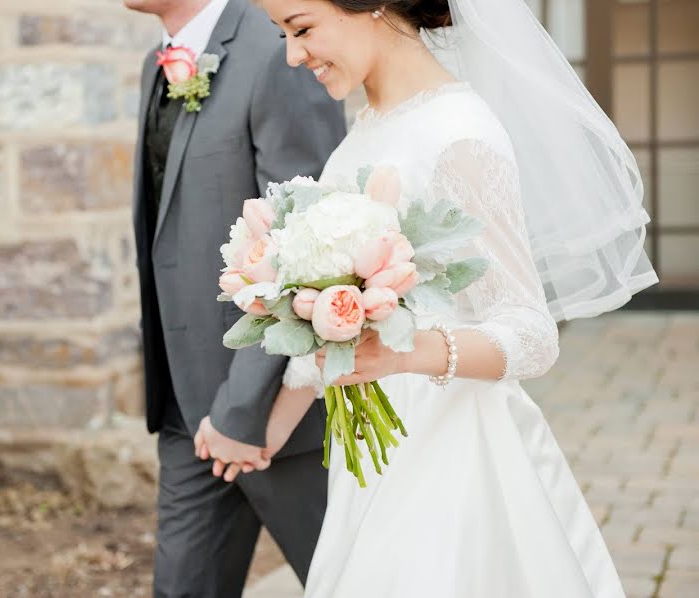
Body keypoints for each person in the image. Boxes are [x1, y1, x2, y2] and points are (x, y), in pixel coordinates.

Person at [247, 0, 658, 595]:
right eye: (282, 33)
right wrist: (265, 433)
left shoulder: (457, 134)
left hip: (451, 454)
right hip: (370, 455)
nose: (291, 54)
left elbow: (532, 335)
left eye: (302, 28)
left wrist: (405, 354)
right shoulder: (368, 125)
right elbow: (327, 336)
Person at [123, 0, 346, 595]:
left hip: (278, 413)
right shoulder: (157, 65)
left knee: (349, 581)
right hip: (183, 407)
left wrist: (243, 407)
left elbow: (308, 244)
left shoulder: (279, 47)